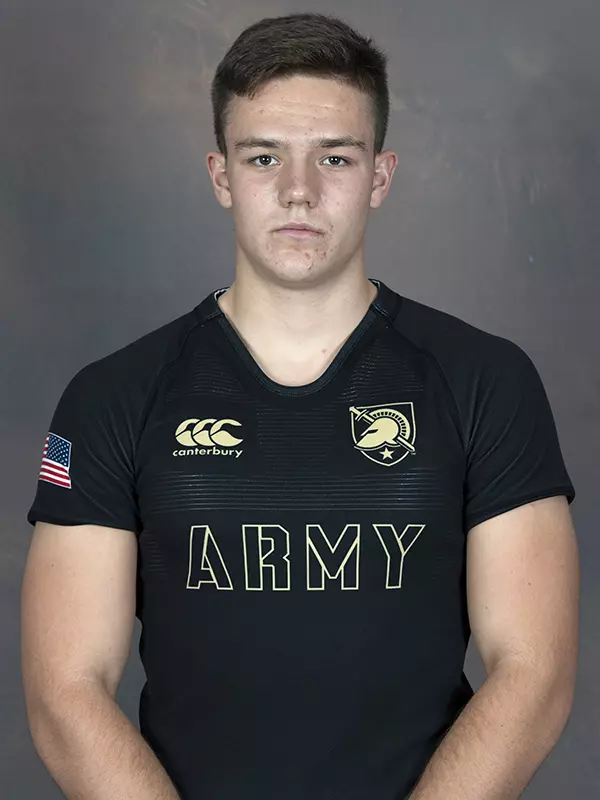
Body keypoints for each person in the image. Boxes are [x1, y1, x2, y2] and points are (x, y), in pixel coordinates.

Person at [21, 11, 579, 800]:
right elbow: (65, 690)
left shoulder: (484, 380)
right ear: (221, 176)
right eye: (263, 157)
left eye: (336, 158)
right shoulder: (115, 395)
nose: (298, 191)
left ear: (380, 176)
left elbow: (535, 675)